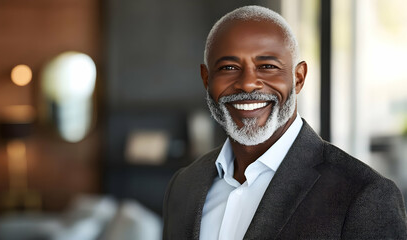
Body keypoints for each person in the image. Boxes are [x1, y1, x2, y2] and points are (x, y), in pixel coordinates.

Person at [163, 5, 407, 240]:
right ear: (207, 79)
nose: (248, 84)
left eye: (267, 66)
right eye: (229, 67)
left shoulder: (364, 195)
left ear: (298, 78)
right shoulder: (184, 186)